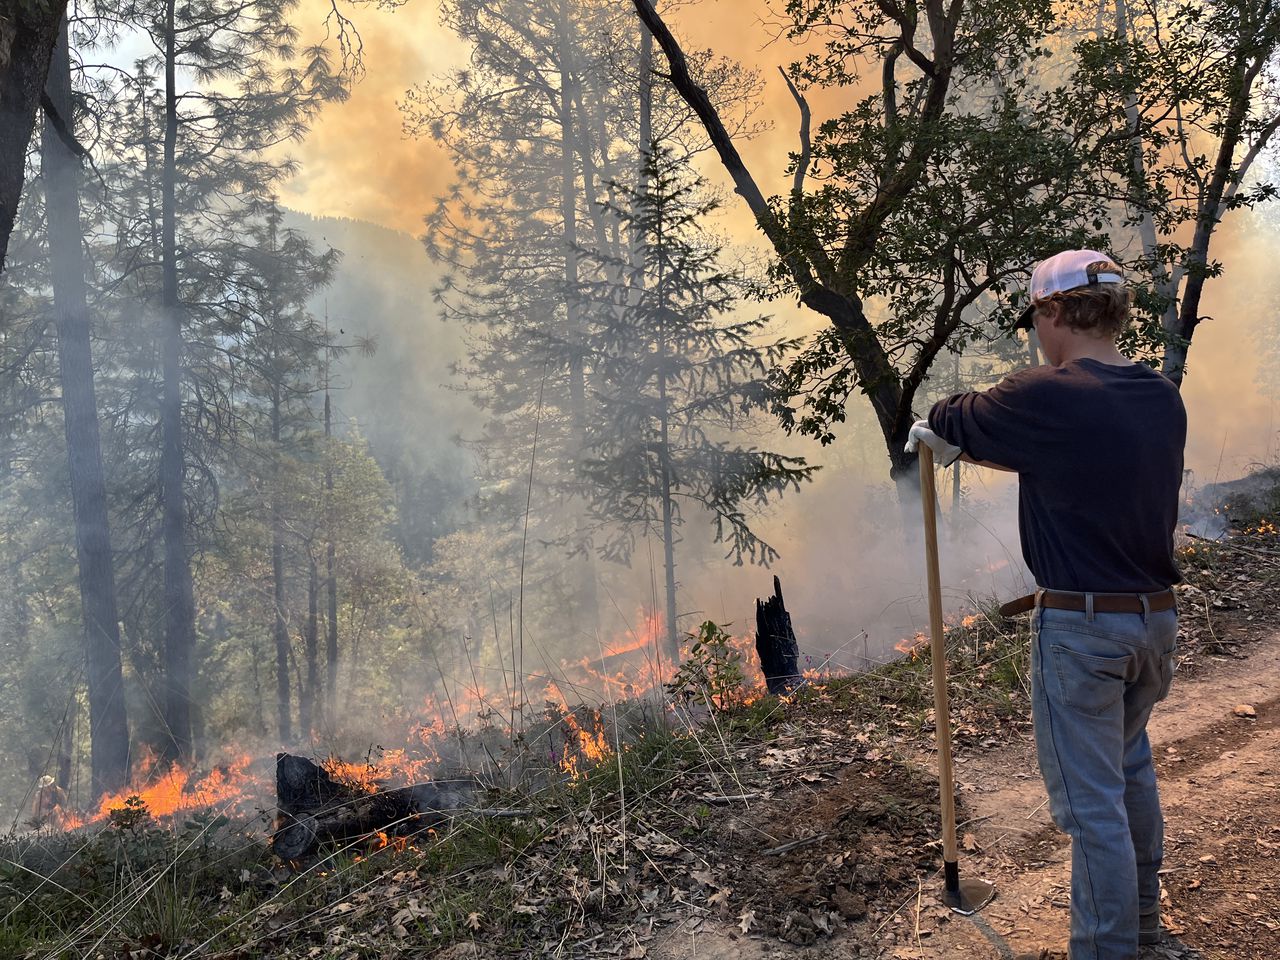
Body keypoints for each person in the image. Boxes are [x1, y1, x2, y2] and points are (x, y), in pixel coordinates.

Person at [906, 250, 1187, 960]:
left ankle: (1108, 951)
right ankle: (1146, 936)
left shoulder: (1049, 393)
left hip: (1083, 632)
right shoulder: (1158, 396)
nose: (1037, 332)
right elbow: (1068, 456)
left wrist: (950, 435)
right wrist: (978, 451)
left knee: (1092, 810)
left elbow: (948, 413)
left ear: (1055, 312)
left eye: (1037, 316)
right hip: (1152, 624)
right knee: (1127, 777)